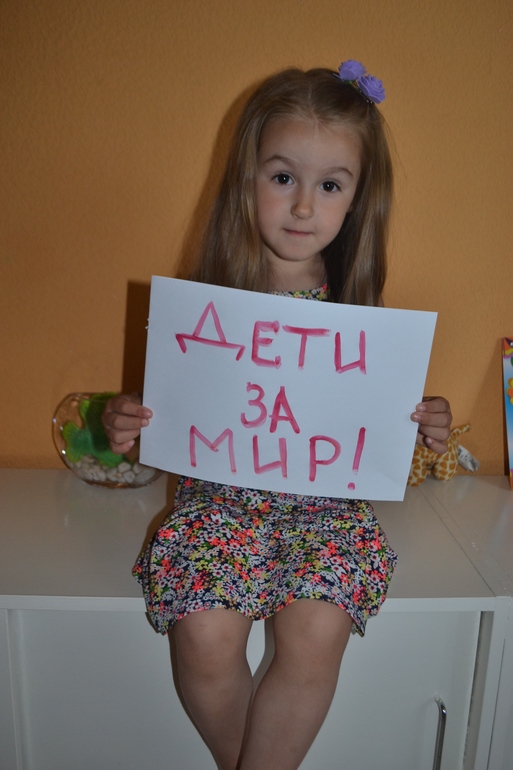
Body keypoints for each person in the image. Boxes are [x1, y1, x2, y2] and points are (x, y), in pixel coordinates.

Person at [102, 60, 452, 770]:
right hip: (218, 503)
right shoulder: (205, 305)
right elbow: (167, 411)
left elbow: (374, 421)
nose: (302, 207)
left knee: (316, 630)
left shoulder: (357, 317)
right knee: (204, 633)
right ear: (247, 179)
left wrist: (425, 425)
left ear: (356, 200)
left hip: (325, 512)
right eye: (283, 177)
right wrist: (127, 423)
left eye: (330, 185)